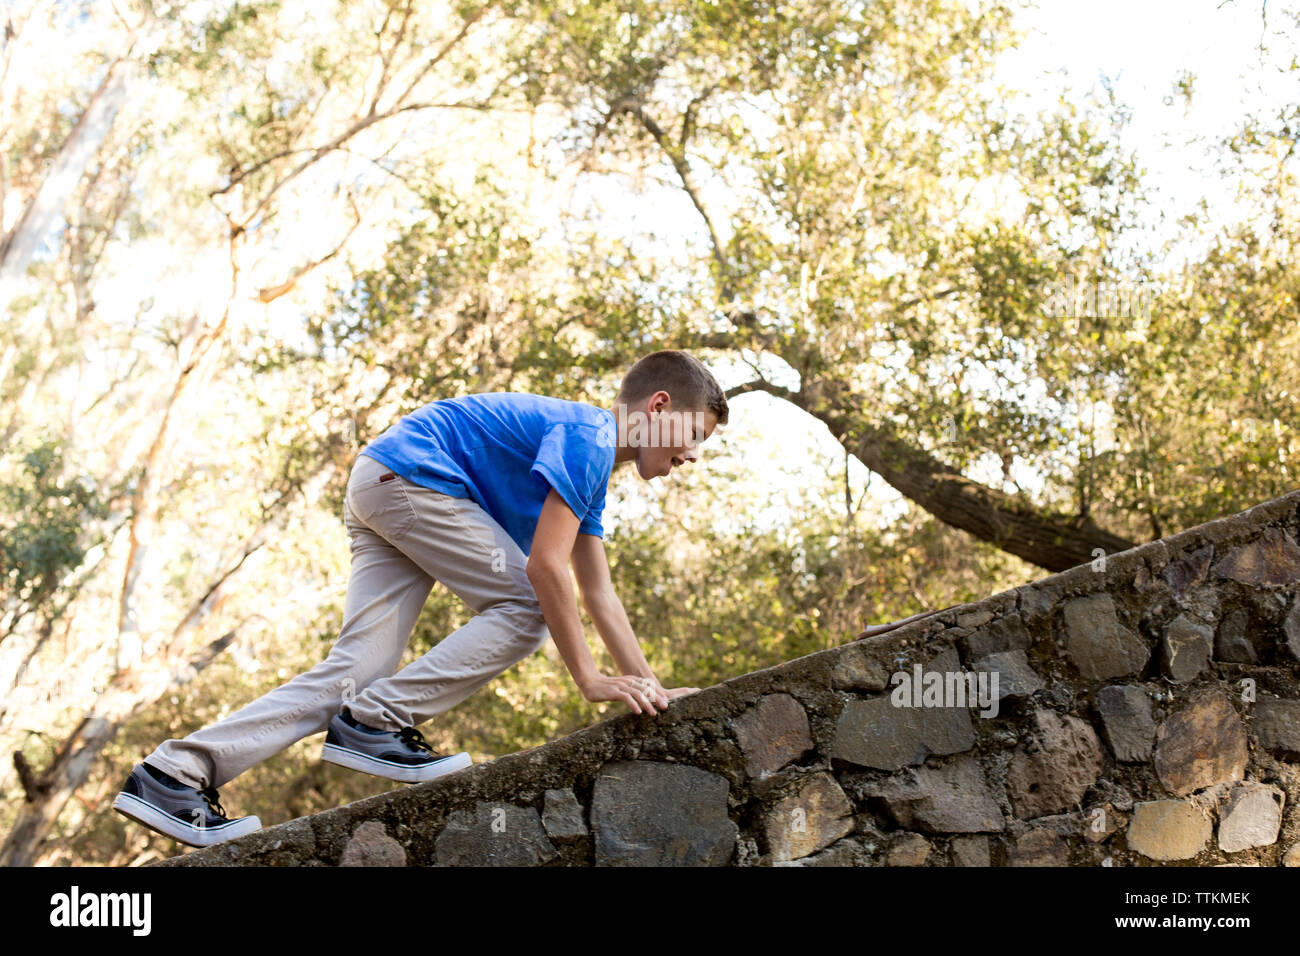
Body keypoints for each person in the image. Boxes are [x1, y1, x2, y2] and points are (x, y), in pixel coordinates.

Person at [112, 349, 729, 847]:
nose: (693, 456)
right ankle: (376, 722)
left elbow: (599, 593)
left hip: (384, 482)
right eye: (694, 435)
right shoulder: (591, 435)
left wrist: (648, 686)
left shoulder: (592, 465)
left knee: (358, 672)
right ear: (659, 405)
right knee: (529, 605)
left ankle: (173, 775)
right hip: (411, 480)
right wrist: (590, 678)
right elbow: (546, 569)